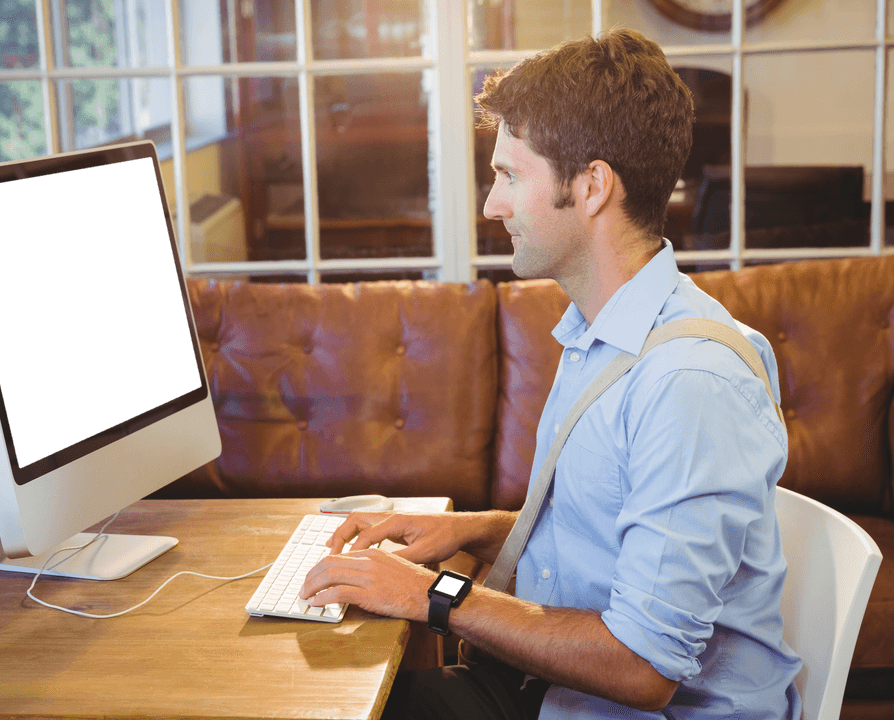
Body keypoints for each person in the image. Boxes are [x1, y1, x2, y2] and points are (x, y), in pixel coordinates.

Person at [298, 27, 802, 720]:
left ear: (592, 186)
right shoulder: (603, 331)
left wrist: (429, 597)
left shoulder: (690, 381)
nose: (490, 206)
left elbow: (642, 667)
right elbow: (602, 534)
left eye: (510, 176)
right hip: (556, 693)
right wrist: (469, 530)